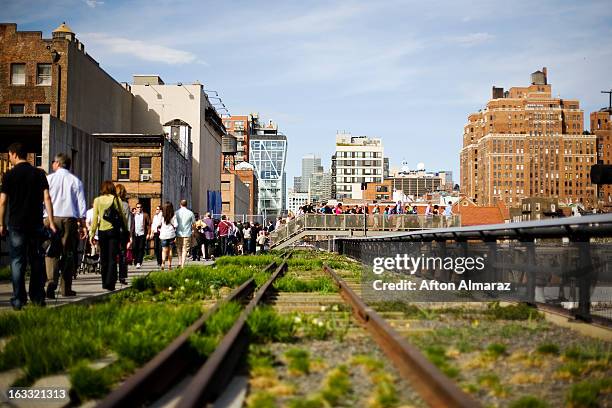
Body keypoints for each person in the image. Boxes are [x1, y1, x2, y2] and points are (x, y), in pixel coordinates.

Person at [0, 143, 57, 310]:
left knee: (17, 261)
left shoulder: (9, 175)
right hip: (35, 223)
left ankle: (19, 299)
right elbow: (47, 198)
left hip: (16, 224)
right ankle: (37, 297)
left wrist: (1, 223)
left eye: (9, 155)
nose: (9, 158)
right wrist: (51, 221)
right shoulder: (39, 174)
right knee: (36, 260)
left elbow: (3, 201)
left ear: (14, 154)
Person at [42, 153, 86, 299]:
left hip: (51, 218)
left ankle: (51, 281)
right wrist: (83, 225)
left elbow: (43, 200)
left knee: (51, 251)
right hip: (69, 219)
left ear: (58, 164)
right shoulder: (75, 181)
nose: (52, 164)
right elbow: (81, 205)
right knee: (68, 253)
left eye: (53, 162)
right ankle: (66, 288)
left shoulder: (48, 179)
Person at [89, 180, 128, 291]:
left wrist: (92, 234)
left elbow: (95, 218)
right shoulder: (116, 199)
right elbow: (122, 216)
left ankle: (104, 282)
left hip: (102, 231)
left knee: (104, 257)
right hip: (113, 231)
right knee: (112, 258)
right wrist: (126, 230)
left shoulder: (97, 200)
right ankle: (110, 283)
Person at [115, 184, 132, 285]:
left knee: (112, 254)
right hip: (122, 232)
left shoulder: (112, 203)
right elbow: (128, 221)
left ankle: (111, 275)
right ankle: (122, 276)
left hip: (112, 231)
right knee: (122, 255)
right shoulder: (125, 205)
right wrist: (129, 236)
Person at [175, 199, 195, 268]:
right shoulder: (190, 213)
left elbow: (174, 223)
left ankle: (179, 262)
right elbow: (193, 224)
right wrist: (193, 231)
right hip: (187, 233)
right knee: (185, 249)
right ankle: (183, 265)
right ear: (186, 205)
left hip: (178, 233)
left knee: (178, 248)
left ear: (180, 204)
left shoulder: (176, 212)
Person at [130, 202, 150, 268]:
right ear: (136, 208)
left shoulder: (145, 215)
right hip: (135, 234)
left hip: (142, 234)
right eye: (138, 207)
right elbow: (131, 226)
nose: (139, 208)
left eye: (140, 207)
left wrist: (148, 233)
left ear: (142, 208)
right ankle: (135, 261)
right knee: (134, 248)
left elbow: (149, 225)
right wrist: (130, 236)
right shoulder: (133, 215)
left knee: (141, 248)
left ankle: (139, 262)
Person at [159, 201, 177, 270]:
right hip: (171, 234)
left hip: (163, 234)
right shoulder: (173, 214)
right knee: (170, 250)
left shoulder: (161, 214)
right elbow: (176, 225)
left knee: (164, 250)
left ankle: (163, 264)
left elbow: (158, 223)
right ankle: (169, 265)